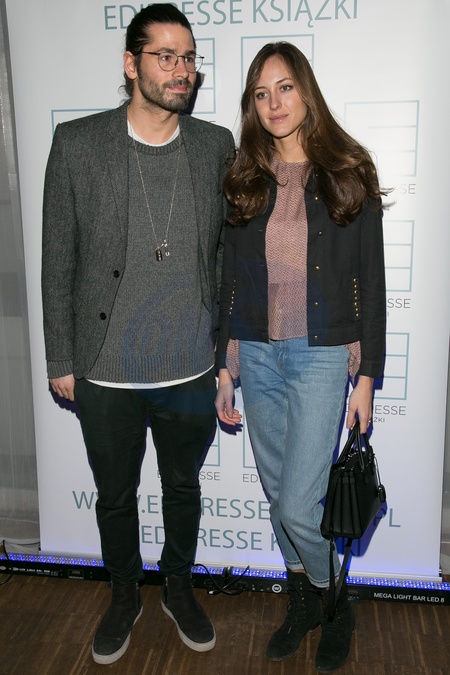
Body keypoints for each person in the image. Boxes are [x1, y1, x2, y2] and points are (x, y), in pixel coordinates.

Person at [42, 4, 238, 666]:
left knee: (183, 488)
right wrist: (61, 355)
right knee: (115, 495)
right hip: (104, 368)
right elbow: (57, 258)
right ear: (131, 63)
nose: (182, 70)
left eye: (190, 59)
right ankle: (124, 594)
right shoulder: (78, 143)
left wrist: (225, 354)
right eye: (166, 57)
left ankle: (178, 587)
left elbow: (225, 256)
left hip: (190, 364)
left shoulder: (215, 145)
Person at [215, 42, 386, 673]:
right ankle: (303, 602)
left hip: (321, 357)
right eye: (261, 94)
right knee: (277, 495)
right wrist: (225, 365)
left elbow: (372, 280)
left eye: (284, 87)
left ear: (305, 91)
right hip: (257, 354)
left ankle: (336, 602)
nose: (274, 103)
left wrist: (367, 377)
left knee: (297, 505)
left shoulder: (347, 171)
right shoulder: (243, 179)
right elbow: (230, 279)